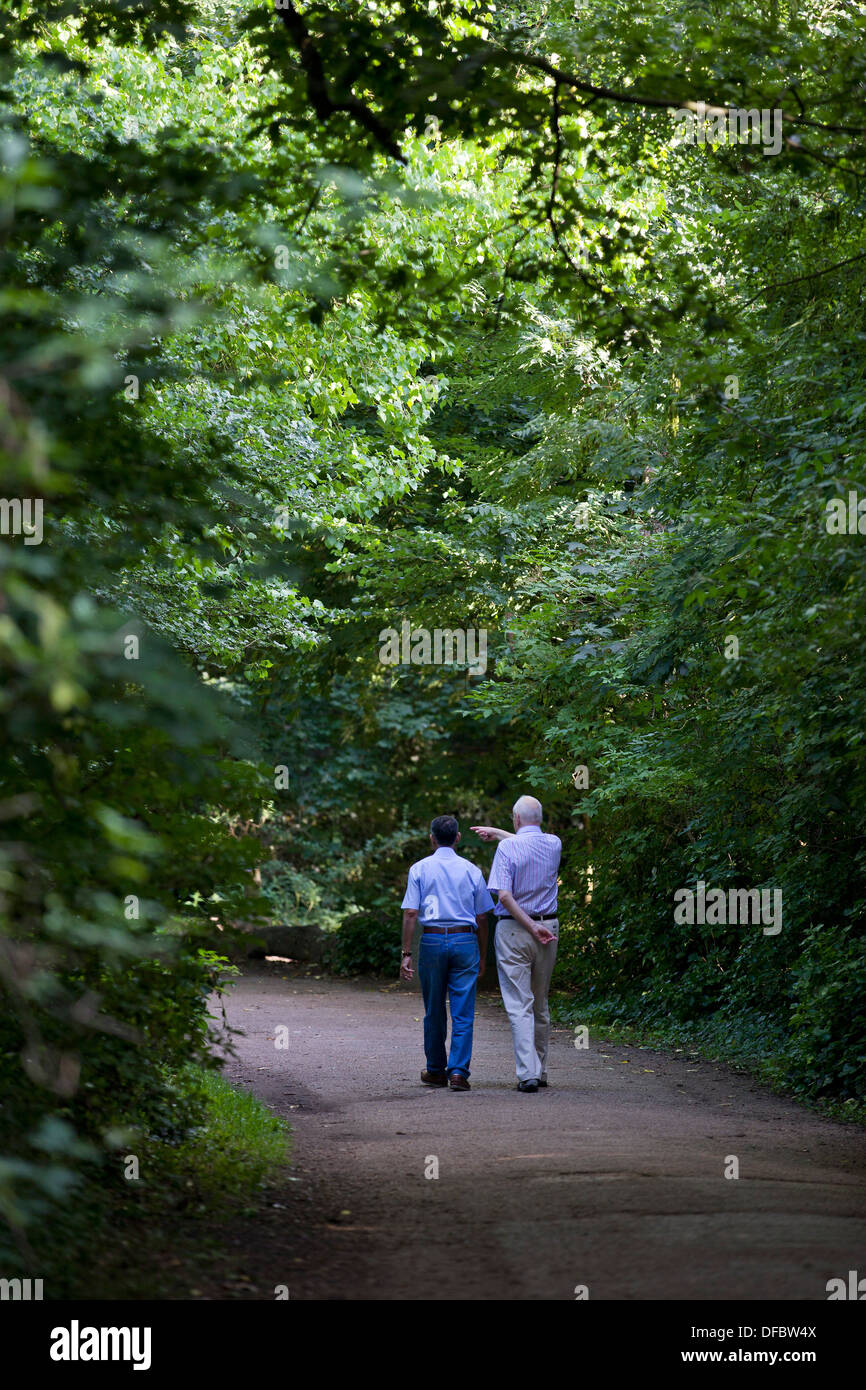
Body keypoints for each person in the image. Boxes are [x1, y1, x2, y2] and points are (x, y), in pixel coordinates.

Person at [472, 796, 561, 1093]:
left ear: (516, 818)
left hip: (514, 930)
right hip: (549, 928)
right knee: (540, 1001)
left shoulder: (507, 848)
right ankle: (541, 1069)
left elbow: (505, 897)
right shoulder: (554, 843)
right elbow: (528, 841)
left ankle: (528, 1074)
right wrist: (500, 833)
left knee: (519, 1004)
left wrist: (529, 925)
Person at [399, 814, 494, 1091]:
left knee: (434, 1010)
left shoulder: (419, 869)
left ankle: (436, 1070)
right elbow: (484, 917)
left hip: (431, 941)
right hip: (465, 941)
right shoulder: (472, 870)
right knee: (463, 1011)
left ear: (431, 838)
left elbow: (411, 912)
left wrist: (407, 952)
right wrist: (482, 955)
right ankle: (458, 1073)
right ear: (458, 838)